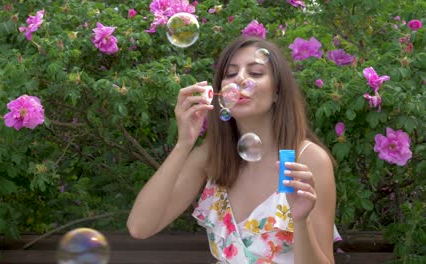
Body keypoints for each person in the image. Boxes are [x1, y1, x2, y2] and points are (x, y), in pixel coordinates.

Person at [127, 36, 339, 264]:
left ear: (277, 91)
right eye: (230, 73)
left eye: (256, 73)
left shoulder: (307, 159)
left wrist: (301, 222)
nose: (239, 79)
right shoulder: (212, 155)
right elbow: (140, 227)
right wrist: (184, 143)